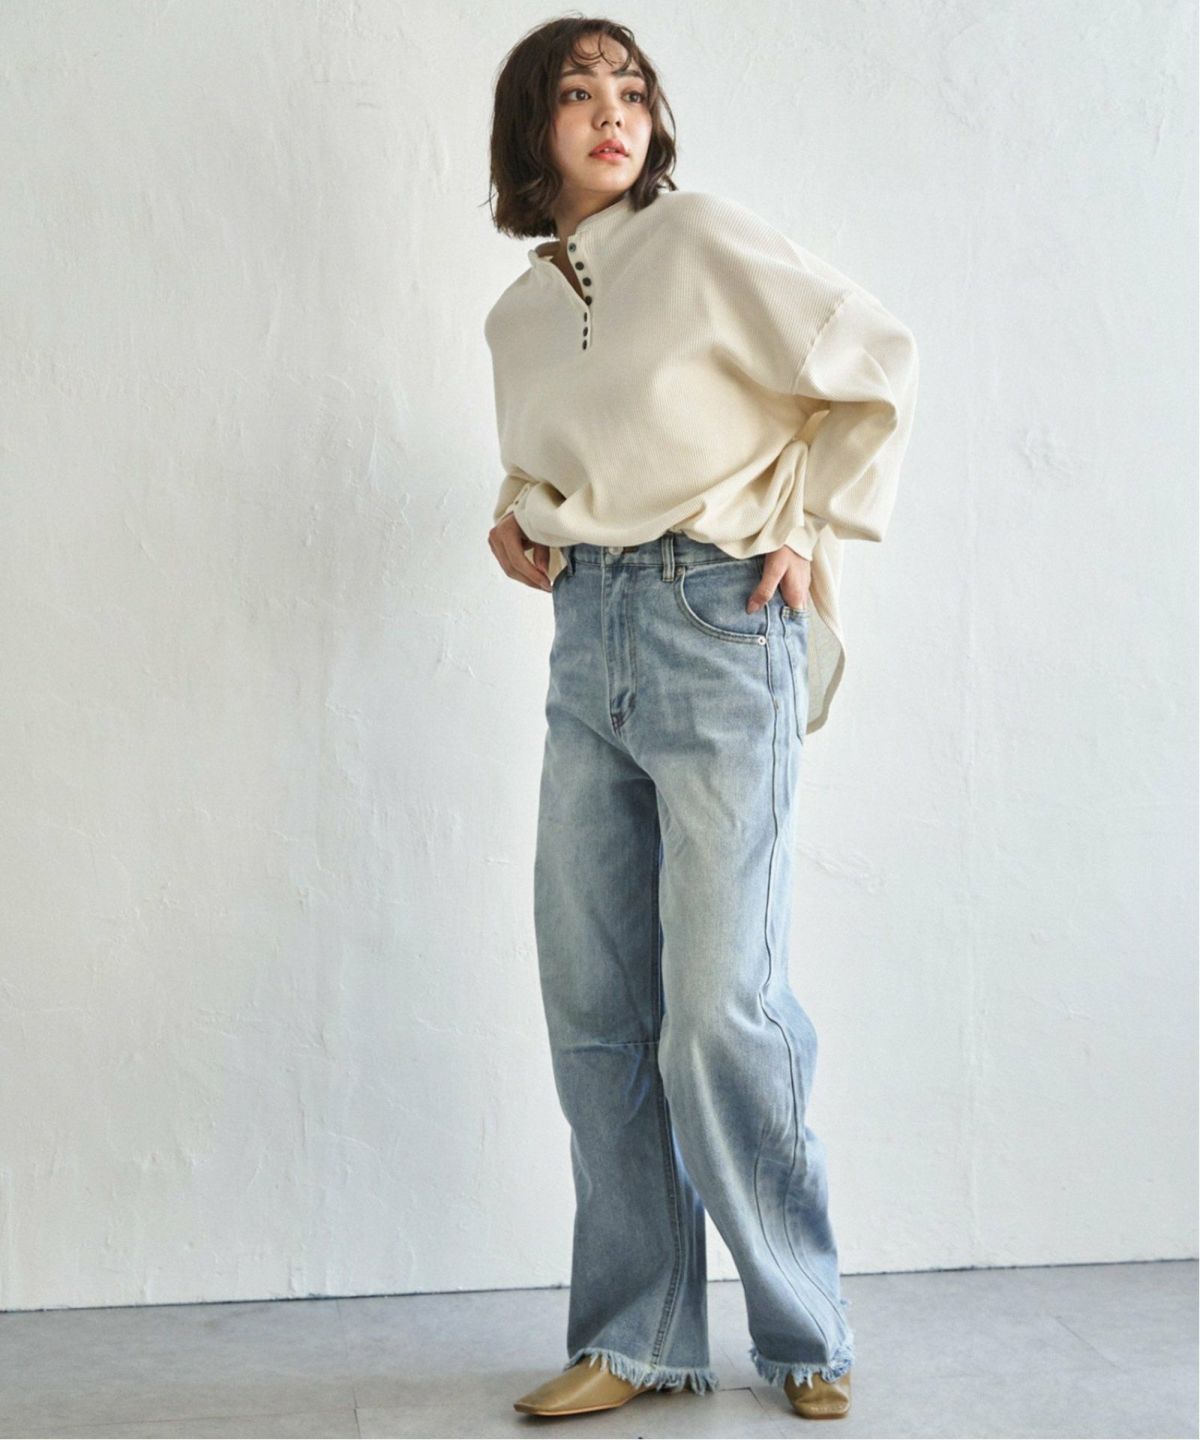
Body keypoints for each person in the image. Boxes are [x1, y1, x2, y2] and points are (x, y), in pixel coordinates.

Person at [483, 16, 918, 1423]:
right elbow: (557, 462)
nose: (611, 112)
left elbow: (872, 362)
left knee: (719, 1012)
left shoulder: (701, 238)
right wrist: (515, 514)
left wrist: (810, 526)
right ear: (532, 128)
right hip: (587, 644)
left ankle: (805, 1330)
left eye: (632, 89)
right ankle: (638, 1334)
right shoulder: (517, 316)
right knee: (595, 1010)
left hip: (717, 624)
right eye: (576, 92)